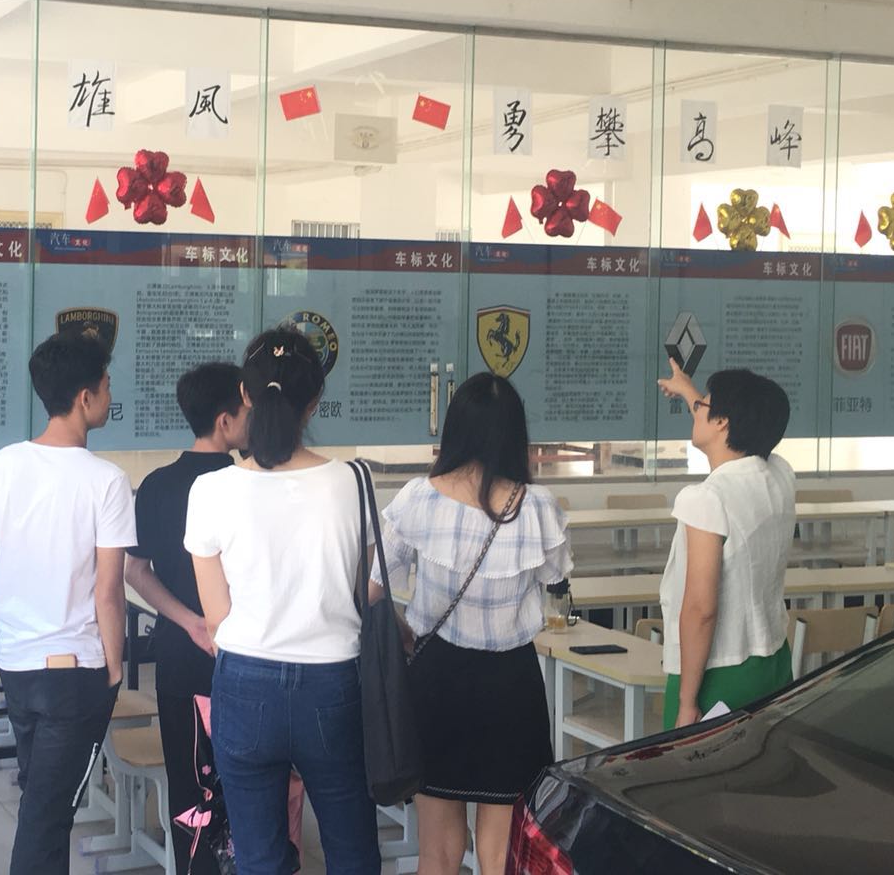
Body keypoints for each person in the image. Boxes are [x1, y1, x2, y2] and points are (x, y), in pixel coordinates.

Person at [185, 327, 380, 875]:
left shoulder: (211, 490)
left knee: (258, 857)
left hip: (245, 683)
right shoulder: (353, 482)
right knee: (352, 851)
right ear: (315, 401)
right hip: (333, 685)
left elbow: (216, 619)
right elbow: (370, 590)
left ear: (244, 395)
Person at [369, 372, 570, 875]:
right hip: (511, 687)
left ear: (455, 429)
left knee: (438, 852)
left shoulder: (418, 498)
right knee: (500, 854)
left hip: (436, 681)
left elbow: (372, 591)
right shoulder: (538, 507)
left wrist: (402, 629)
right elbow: (557, 581)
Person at [0, 331, 137, 875]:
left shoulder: (0, 465)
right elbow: (109, 591)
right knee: (47, 817)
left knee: (44, 804)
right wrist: (114, 667)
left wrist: (18, 625)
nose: (111, 395)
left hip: (16, 662)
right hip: (75, 671)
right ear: (85, 398)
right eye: (107, 386)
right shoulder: (107, 482)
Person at [125, 362, 250, 875]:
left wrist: (190, 621)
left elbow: (136, 571)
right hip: (244, 658)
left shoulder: (157, 484)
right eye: (248, 409)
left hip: (180, 657)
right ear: (225, 421)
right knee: (248, 786)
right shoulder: (248, 484)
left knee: (191, 789)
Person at [656, 359, 795, 730]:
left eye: (704, 404)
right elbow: (730, 432)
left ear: (722, 422)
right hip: (773, 661)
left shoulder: (706, 499)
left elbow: (701, 609)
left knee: (688, 766)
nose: (697, 408)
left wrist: (688, 701)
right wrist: (689, 391)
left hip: (718, 675)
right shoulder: (779, 474)